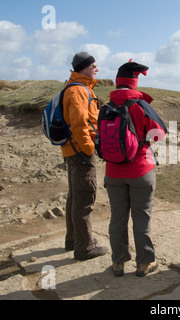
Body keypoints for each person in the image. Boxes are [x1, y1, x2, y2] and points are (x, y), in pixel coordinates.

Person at [104, 60, 167, 277]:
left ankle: (117, 263)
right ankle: (144, 263)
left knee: (117, 217)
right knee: (142, 217)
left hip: (113, 172)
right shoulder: (140, 105)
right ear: (134, 83)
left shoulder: (106, 106)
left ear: (117, 82)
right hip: (141, 170)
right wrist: (143, 140)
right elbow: (159, 133)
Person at [62, 52, 108, 261]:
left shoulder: (77, 87)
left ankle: (73, 240)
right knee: (84, 198)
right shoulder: (78, 91)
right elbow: (79, 124)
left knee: (75, 196)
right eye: (94, 66)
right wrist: (89, 149)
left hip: (73, 151)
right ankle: (85, 247)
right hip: (80, 153)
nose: (97, 69)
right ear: (84, 67)